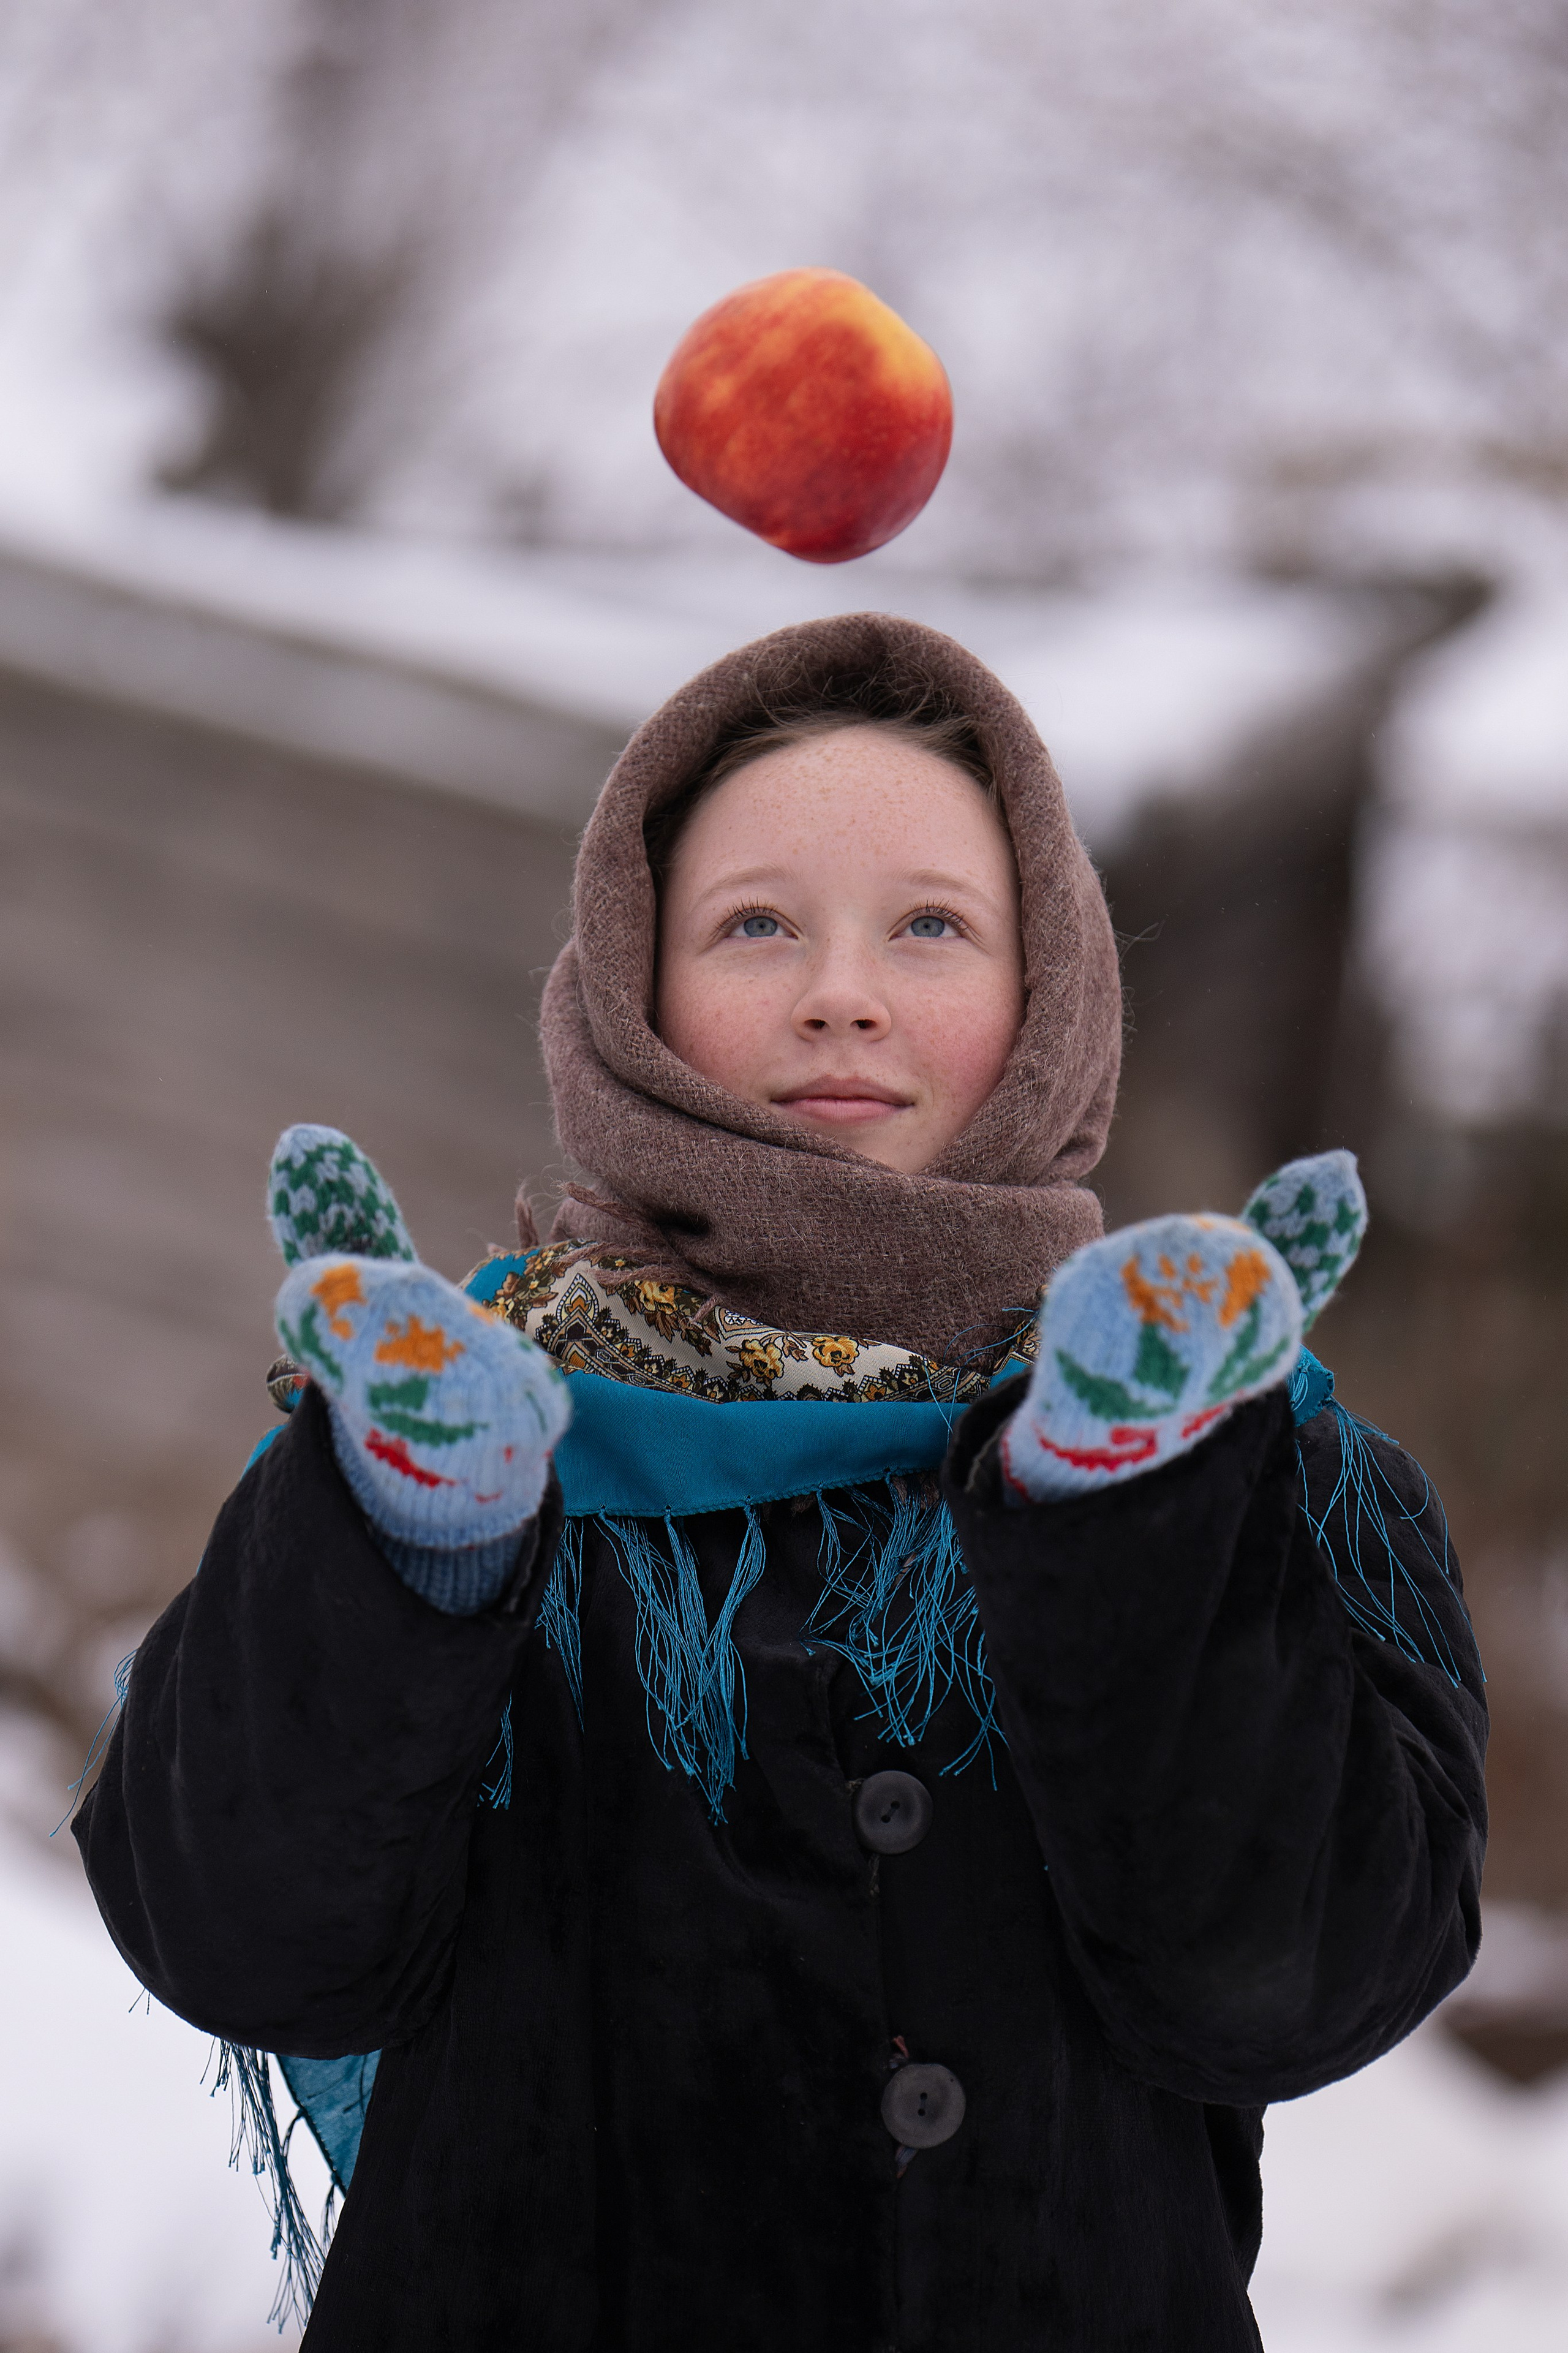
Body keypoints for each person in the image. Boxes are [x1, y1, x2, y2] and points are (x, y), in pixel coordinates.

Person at [75, 613, 1486, 2352]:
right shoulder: (455, 1413)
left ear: (1051, 997)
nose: (843, 989)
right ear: (628, 985)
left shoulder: (1249, 1457)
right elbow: (243, 1935)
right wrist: (409, 1536)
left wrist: (1132, 1507)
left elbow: (1292, 1985)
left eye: (933, 925)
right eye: (757, 922)